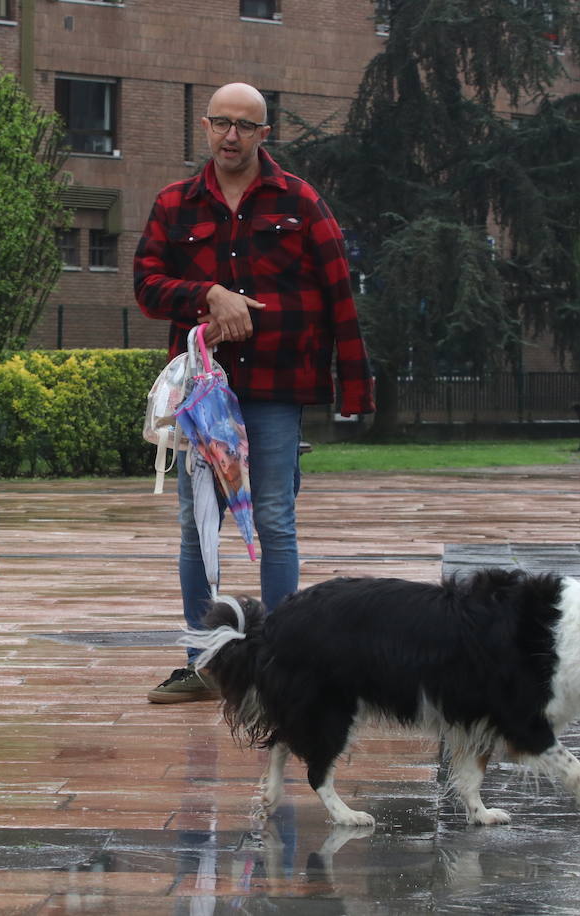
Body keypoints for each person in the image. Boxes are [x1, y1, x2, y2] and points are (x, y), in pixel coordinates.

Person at [133, 81, 374, 703]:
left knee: (274, 520)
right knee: (197, 528)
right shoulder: (175, 203)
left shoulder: (300, 201)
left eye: (245, 125)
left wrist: (354, 385)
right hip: (203, 392)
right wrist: (208, 295)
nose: (231, 135)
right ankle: (204, 662)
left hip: (276, 384)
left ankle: (282, 662)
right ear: (207, 127)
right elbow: (147, 285)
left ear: (264, 134)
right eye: (221, 123)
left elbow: (338, 292)